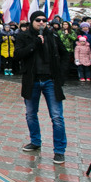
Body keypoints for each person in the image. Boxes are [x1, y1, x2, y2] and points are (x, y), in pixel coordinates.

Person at [14, 11, 69, 164]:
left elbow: (65, 54)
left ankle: (59, 150)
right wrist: (34, 45)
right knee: (31, 114)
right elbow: (17, 55)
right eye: (38, 20)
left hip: (50, 80)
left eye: (44, 20)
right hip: (32, 81)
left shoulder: (52, 35)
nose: (41, 22)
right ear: (32, 21)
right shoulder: (23, 36)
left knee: (57, 117)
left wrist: (62, 75)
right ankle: (35, 141)